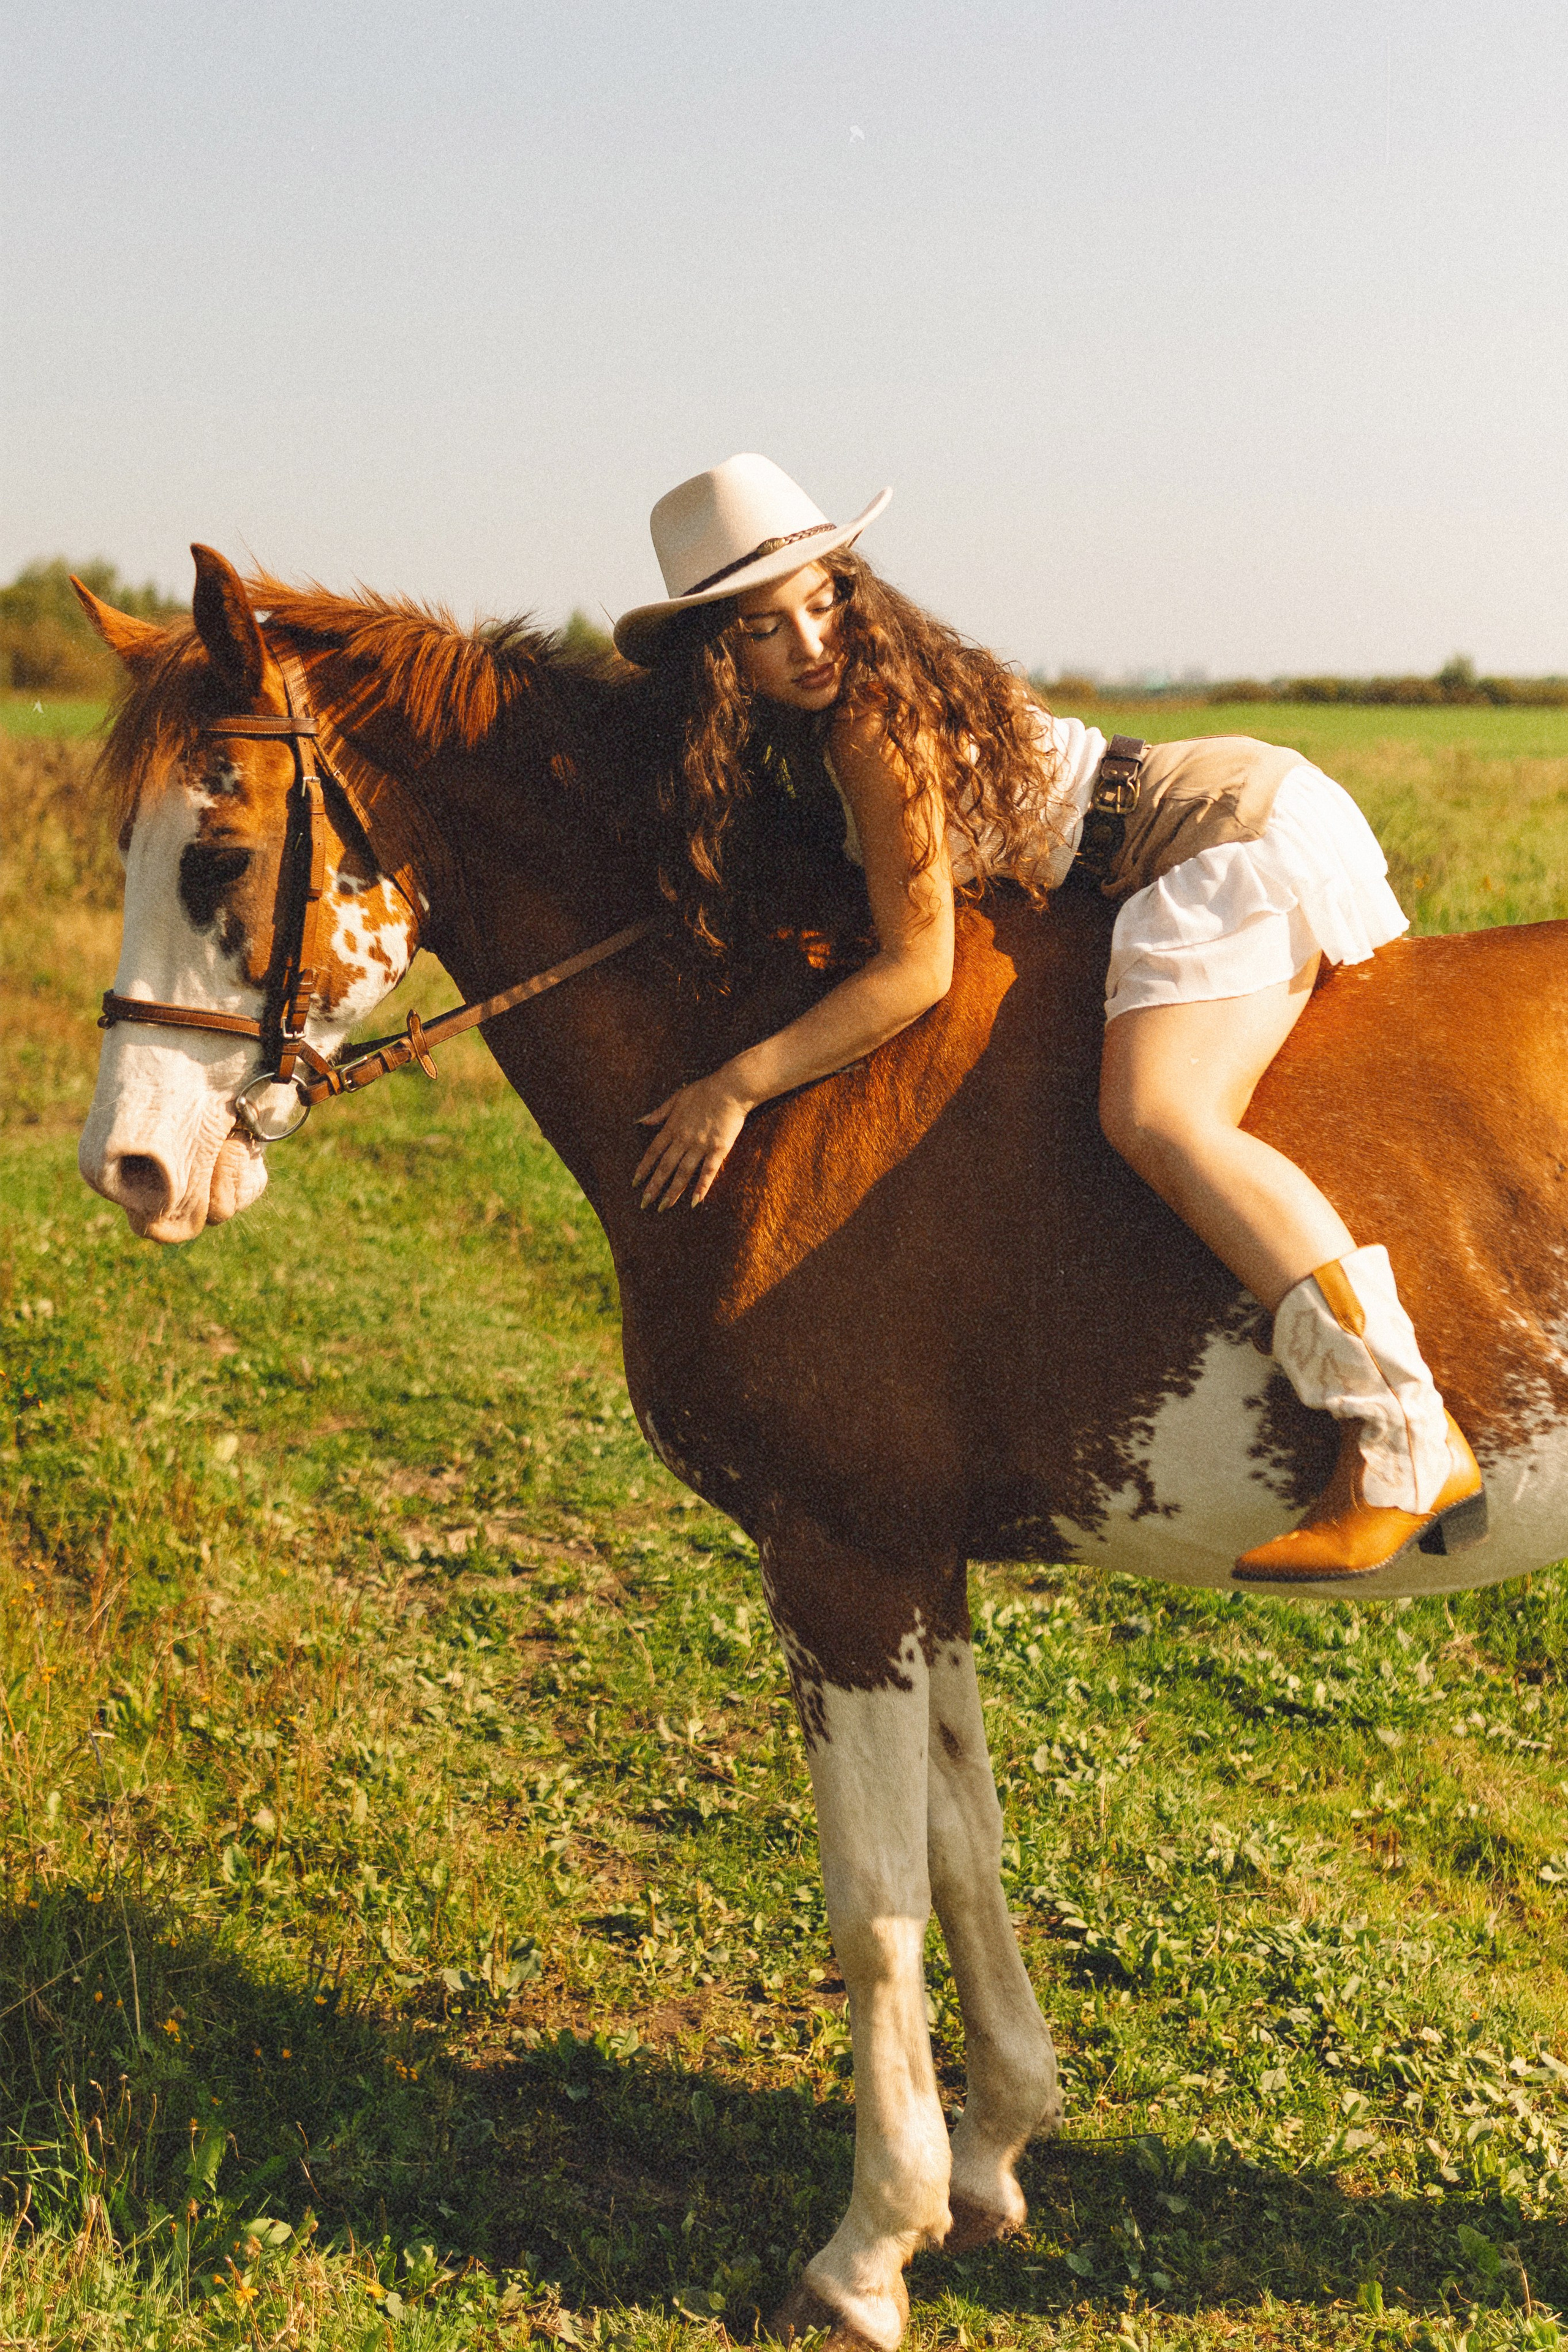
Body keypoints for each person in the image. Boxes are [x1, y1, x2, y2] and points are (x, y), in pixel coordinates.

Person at [613, 453, 1485, 1579]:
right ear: (717, 660)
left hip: (1220, 833)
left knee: (1161, 1117)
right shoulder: (847, 720)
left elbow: (916, 970)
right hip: (1228, 803)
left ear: (855, 589)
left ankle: (1403, 1436)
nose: (811, 643)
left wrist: (738, 1083)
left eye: (824, 601)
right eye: (763, 630)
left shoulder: (871, 724)